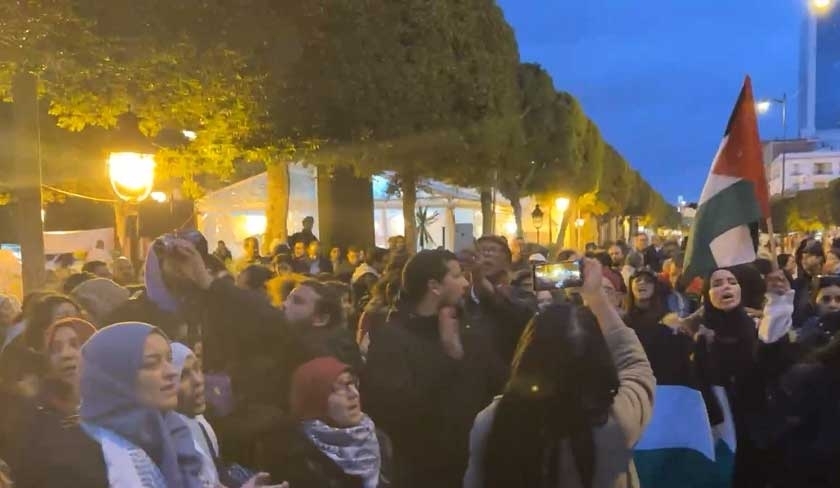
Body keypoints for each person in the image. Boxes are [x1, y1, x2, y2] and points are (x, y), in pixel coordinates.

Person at [464, 257, 655, 488]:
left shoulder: (491, 422)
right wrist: (595, 297)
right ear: (598, 360)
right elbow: (634, 364)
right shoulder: (616, 419)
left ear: (527, 353)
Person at [78, 322, 287, 488]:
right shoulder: (90, 454)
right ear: (114, 378)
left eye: (169, 359)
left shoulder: (174, 429)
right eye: (152, 363)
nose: (171, 372)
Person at [362, 249, 505, 488]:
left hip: (475, 465)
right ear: (434, 286)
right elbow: (393, 410)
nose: (464, 283)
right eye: (457, 276)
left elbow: (500, 384)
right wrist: (448, 358)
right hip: (422, 472)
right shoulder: (392, 339)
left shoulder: (469, 331)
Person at [7, 318, 103, 488]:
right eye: (55, 349)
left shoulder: (126, 408)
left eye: (76, 344)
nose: (66, 354)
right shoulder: (37, 416)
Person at [271, 357, 392, 488]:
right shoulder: (296, 457)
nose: (353, 394)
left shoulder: (378, 439)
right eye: (338, 388)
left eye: (352, 383)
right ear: (316, 400)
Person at [466, 235, 537, 365]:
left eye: (492, 250)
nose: (486, 255)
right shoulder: (462, 299)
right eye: (481, 250)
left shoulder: (521, 295)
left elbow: (522, 315)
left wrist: (482, 281)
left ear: (507, 260)